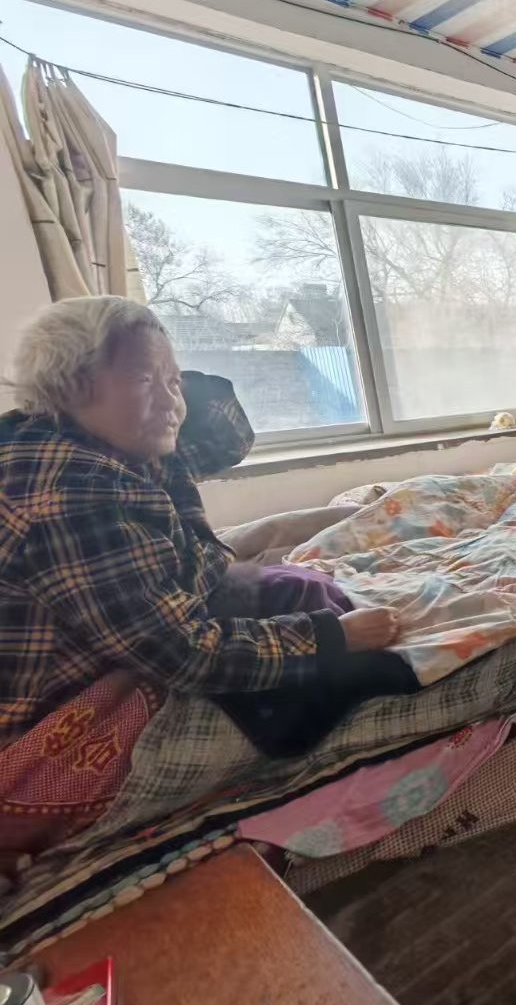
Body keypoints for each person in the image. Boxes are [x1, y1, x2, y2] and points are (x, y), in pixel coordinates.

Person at [0, 297, 408, 749]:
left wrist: (160, 374)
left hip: (138, 630)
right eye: (142, 379)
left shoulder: (89, 435)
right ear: (70, 384)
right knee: (377, 673)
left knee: (299, 585)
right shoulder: (72, 492)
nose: (170, 402)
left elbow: (230, 438)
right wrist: (334, 637)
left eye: (174, 382)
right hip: (58, 715)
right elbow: (181, 654)